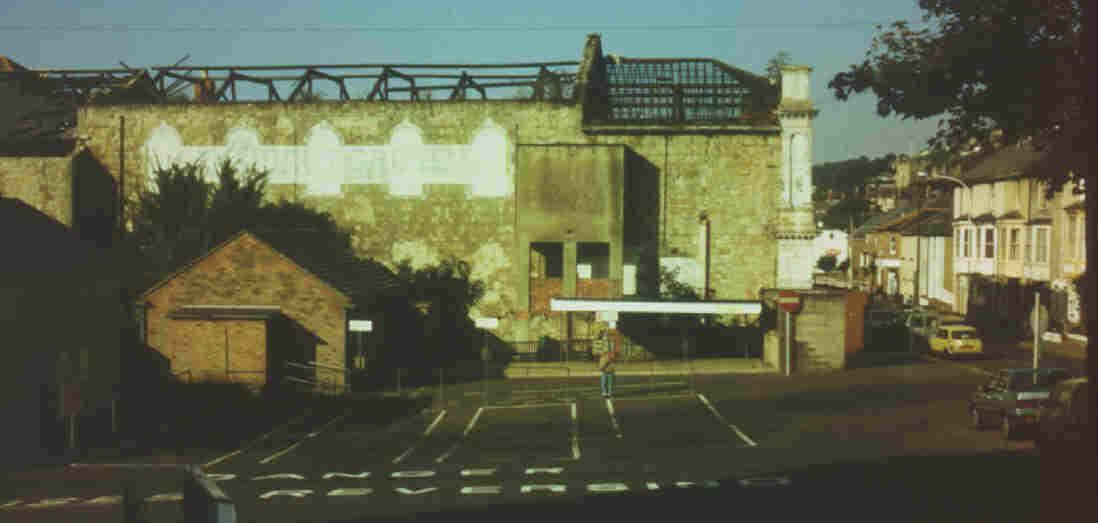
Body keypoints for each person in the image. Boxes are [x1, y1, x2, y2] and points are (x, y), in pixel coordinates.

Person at [597, 329, 617, 398]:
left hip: (610, 362)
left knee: (608, 379)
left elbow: (613, 353)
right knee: (605, 379)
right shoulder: (604, 342)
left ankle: (608, 393)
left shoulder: (612, 343)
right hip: (606, 361)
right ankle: (605, 393)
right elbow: (602, 351)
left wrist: (612, 355)